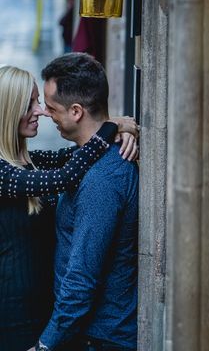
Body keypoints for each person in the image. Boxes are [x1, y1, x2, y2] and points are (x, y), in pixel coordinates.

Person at [0, 65, 138, 351]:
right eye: (32, 104)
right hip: (13, 318)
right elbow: (65, 176)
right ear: (10, 110)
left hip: (46, 314)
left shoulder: (30, 161)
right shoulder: (4, 173)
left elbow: (72, 155)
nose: (41, 112)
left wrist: (116, 131)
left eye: (43, 103)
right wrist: (110, 128)